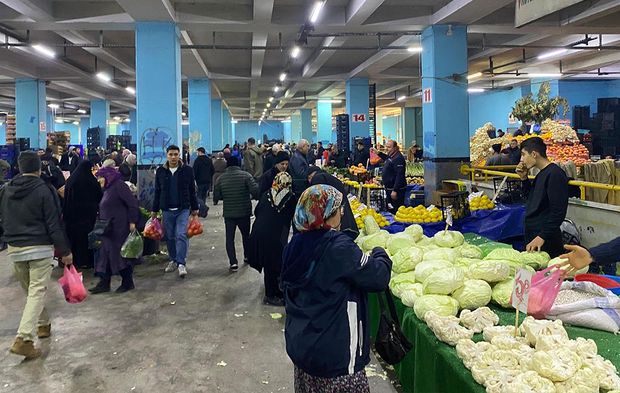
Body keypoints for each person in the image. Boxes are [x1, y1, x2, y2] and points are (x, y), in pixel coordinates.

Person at [281, 184, 392, 392]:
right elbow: (378, 277)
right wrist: (380, 253)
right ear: (326, 215)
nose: (342, 213)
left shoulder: (294, 244)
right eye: (338, 209)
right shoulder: (337, 247)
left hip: (304, 348)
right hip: (335, 355)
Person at [0, 151, 72, 359]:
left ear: (19, 168)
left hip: (15, 249)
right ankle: (24, 339)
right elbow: (53, 223)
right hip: (39, 247)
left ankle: (42, 325)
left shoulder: (6, 189)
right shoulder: (44, 189)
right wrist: (65, 251)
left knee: (32, 291)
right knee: (37, 291)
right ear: (39, 168)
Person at [248, 172, 296, 306]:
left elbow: (257, 211)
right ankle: (270, 295)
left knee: (271, 264)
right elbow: (296, 218)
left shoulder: (267, 194)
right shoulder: (291, 197)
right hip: (275, 236)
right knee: (273, 265)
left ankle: (275, 291)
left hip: (258, 231)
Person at [89, 167, 139, 294]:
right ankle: (104, 283)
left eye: (100, 177)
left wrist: (132, 221)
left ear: (108, 176)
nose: (98, 180)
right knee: (104, 255)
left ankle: (128, 282)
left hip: (119, 228)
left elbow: (132, 204)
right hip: (108, 229)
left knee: (119, 254)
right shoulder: (108, 188)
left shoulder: (119, 186)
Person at [516, 137, 569, 258]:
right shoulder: (541, 174)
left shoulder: (555, 174)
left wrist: (542, 236)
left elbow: (558, 212)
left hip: (546, 240)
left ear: (534, 154)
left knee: (548, 273)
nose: (521, 159)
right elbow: (531, 199)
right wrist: (524, 178)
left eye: (523, 155)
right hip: (534, 235)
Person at [152, 145, 199, 278]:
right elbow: (157, 191)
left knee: (181, 235)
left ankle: (181, 263)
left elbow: (191, 191)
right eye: (171, 154)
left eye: (176, 154)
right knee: (170, 237)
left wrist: (195, 209)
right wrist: (154, 210)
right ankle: (173, 260)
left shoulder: (187, 170)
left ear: (180, 155)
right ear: (166, 155)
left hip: (183, 209)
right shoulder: (161, 171)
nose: (173, 157)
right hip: (166, 210)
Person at [213, 156, 259, 271]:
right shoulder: (246, 176)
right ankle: (247, 256)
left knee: (230, 238)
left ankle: (233, 262)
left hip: (229, 214)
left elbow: (216, 196)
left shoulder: (221, 178)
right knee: (246, 236)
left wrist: (226, 197)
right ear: (239, 164)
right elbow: (255, 191)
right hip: (244, 212)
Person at [63, 161, 103, 269]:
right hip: (87, 217)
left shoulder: (71, 180)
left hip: (72, 217)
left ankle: (74, 260)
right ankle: (87, 261)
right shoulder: (91, 181)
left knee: (74, 239)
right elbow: (99, 195)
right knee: (86, 240)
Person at [307, 166, 359, 239]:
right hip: (345, 224)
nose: (309, 181)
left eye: (309, 178)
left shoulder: (318, 178)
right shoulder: (329, 177)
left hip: (334, 228)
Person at [374, 140, 406, 212]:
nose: (386, 148)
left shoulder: (398, 158)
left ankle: (397, 222)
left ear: (395, 148)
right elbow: (386, 158)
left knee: (396, 209)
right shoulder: (392, 156)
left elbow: (399, 175)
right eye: (386, 146)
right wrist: (378, 153)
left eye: (389, 147)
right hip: (389, 189)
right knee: (390, 207)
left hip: (396, 190)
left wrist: (395, 190)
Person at [193, 147, 215, 214]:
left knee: (199, 196)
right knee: (204, 196)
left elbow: (194, 171)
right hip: (207, 180)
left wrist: (194, 179)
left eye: (197, 152)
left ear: (199, 152)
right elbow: (212, 170)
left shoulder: (197, 160)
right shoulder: (209, 160)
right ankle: (203, 210)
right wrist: (209, 177)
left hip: (199, 181)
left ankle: (201, 209)